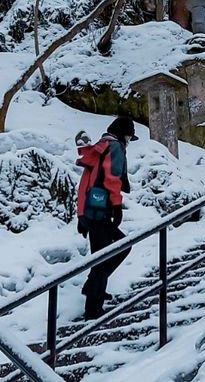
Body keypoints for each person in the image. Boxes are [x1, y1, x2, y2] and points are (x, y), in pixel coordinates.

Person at [75, 116, 138, 320]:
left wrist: (81, 215)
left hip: (89, 211)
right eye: (128, 137)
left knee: (100, 254)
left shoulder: (99, 147)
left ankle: (95, 289)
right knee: (120, 248)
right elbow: (112, 179)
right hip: (100, 212)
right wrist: (117, 205)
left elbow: (86, 182)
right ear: (122, 134)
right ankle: (92, 306)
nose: (128, 141)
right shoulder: (115, 148)